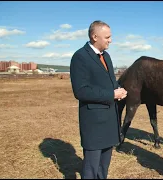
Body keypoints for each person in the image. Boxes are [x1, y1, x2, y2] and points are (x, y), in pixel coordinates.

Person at [70, 20, 127, 179]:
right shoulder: (80, 57)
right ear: (95, 36)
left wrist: (119, 90)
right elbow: (81, 91)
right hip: (94, 124)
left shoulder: (106, 56)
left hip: (109, 120)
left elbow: (110, 82)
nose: (111, 40)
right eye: (107, 37)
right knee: (90, 169)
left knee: (103, 168)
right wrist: (111, 94)